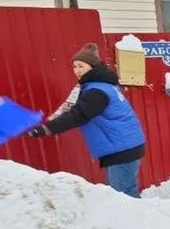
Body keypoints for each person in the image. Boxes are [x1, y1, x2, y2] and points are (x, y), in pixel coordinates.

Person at [25, 43, 146, 197]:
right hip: (122, 146)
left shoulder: (97, 91)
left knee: (123, 196)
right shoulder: (101, 85)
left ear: (92, 66)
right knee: (121, 195)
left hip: (122, 149)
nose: (77, 71)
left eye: (81, 66)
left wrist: (46, 129)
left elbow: (78, 116)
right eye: (74, 66)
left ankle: (140, 221)